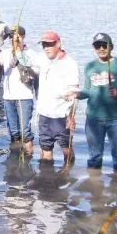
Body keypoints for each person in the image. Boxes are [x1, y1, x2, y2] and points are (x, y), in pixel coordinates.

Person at [72, 33, 117, 172]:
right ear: (94, 48)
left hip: (116, 119)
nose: (101, 48)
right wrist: (78, 94)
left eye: (104, 45)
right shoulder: (89, 66)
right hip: (94, 119)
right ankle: (95, 188)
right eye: (97, 46)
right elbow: (89, 90)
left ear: (111, 46)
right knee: (94, 157)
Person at [36, 31, 80, 164]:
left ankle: (68, 175)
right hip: (44, 114)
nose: (46, 48)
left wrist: (72, 116)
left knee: (66, 148)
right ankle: (48, 179)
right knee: (45, 149)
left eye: (49, 44)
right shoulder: (43, 59)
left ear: (58, 44)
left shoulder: (70, 64)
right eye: (44, 45)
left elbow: (75, 92)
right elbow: (25, 57)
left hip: (61, 115)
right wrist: (17, 42)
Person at [0, 26, 37, 155]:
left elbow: (36, 72)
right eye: (11, 36)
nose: (13, 39)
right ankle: (15, 160)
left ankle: (28, 159)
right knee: (14, 131)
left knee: (25, 131)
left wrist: (21, 56)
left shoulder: (31, 53)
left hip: (24, 96)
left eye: (17, 36)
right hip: (8, 97)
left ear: (23, 37)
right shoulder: (5, 53)